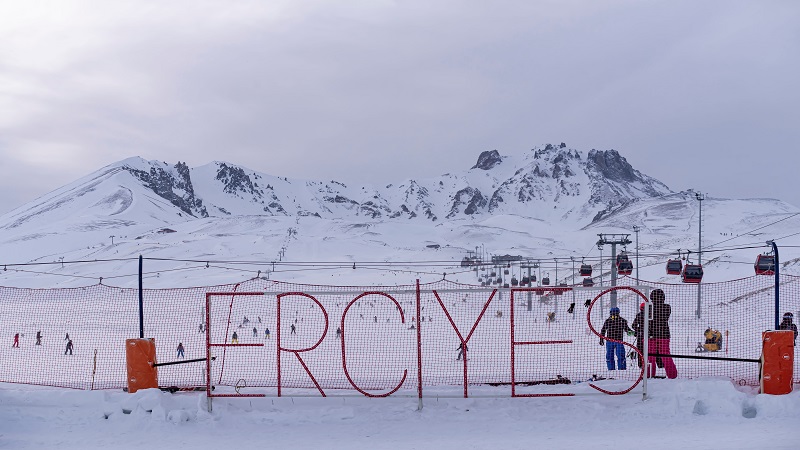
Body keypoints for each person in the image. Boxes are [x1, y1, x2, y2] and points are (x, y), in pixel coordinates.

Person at [648, 289, 677, 379]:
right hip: (663, 334)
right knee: (665, 356)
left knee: (650, 357)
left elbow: (648, 320)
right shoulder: (667, 307)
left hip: (651, 334)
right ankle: (672, 376)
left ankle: (648, 375)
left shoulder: (649, 307)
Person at [631, 303, 645, 368]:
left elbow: (634, 325)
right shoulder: (651, 315)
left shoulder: (639, 315)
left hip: (641, 336)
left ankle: (641, 365)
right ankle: (642, 365)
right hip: (646, 336)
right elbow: (634, 325)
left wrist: (639, 330)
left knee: (640, 351)